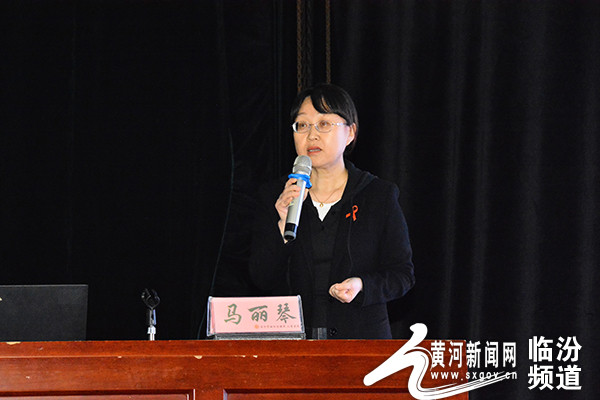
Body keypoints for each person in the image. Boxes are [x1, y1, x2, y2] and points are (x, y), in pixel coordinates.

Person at [249, 83, 415, 339]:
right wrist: (282, 227)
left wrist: (362, 285)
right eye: (302, 125)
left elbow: (402, 275)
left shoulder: (378, 196)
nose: (311, 135)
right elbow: (261, 279)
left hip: (360, 342)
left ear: (350, 133)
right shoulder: (276, 196)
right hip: (293, 345)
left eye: (324, 124)